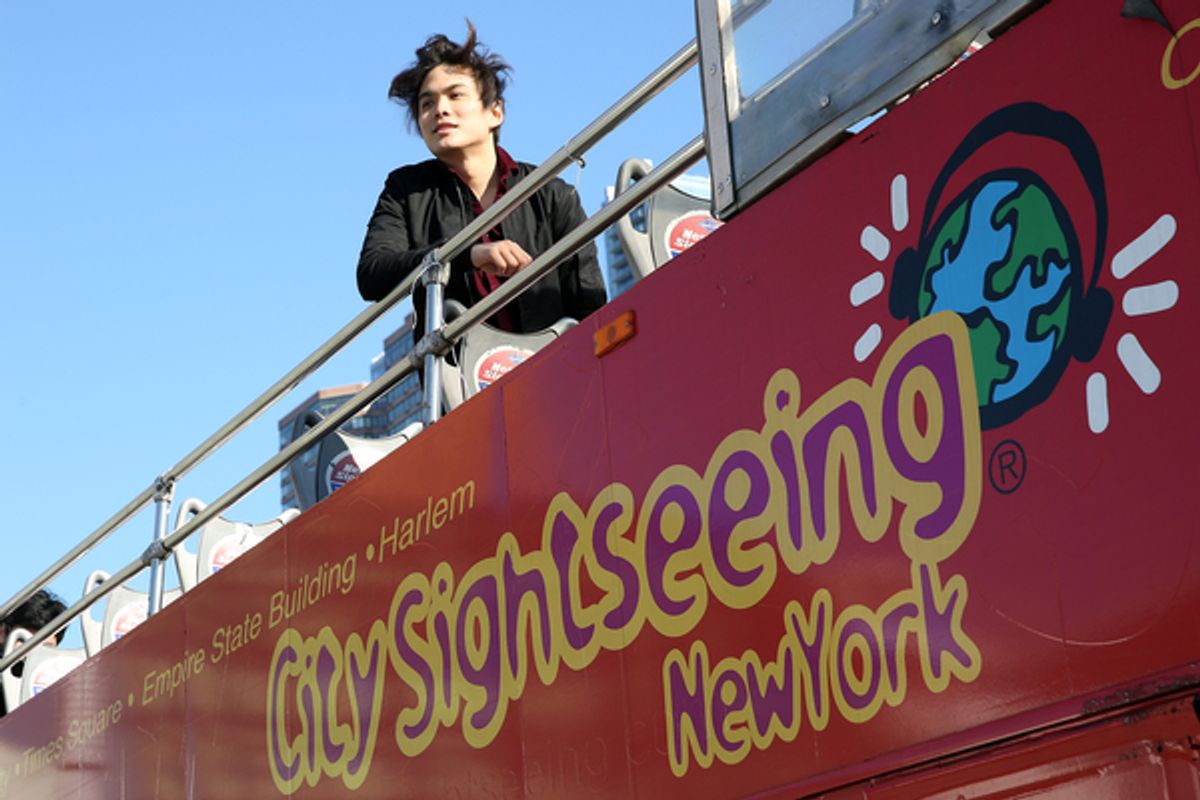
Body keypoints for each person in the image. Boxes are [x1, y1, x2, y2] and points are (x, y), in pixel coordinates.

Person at [356, 22, 606, 345]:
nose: (440, 109)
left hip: (554, 366)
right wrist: (466, 255)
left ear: (495, 111)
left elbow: (590, 306)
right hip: (457, 372)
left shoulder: (551, 194)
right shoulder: (405, 189)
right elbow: (372, 274)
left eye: (455, 95)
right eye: (427, 104)